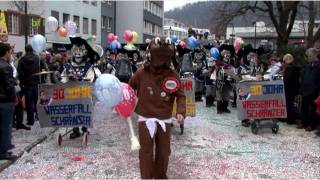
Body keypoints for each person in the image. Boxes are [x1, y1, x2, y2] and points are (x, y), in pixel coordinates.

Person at [129, 38, 186, 179]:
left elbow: (181, 95)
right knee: (146, 153)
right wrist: (123, 103)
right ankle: (146, 177)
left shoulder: (172, 76)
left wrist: (180, 112)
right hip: (145, 118)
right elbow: (129, 88)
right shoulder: (141, 73)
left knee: (164, 152)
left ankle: (160, 176)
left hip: (164, 119)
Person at [18, 45, 46, 126]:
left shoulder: (22, 59)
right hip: (36, 82)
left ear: (25, 50)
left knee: (28, 103)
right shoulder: (37, 58)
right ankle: (40, 117)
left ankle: (30, 120)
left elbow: (20, 73)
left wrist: (23, 82)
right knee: (37, 101)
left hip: (27, 83)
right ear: (32, 49)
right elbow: (42, 68)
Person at [0, 43, 18, 160]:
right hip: (5, 100)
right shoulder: (6, 66)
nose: (11, 54)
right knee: (6, 126)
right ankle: (3, 151)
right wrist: (14, 97)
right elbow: (9, 86)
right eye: (10, 52)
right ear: (6, 53)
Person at [298, 48, 320, 131]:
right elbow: (303, 77)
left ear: (314, 56)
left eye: (309, 56)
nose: (308, 58)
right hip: (305, 90)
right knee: (304, 107)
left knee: (312, 109)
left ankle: (312, 124)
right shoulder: (307, 66)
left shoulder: (319, 65)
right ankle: (304, 122)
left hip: (314, 91)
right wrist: (301, 89)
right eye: (307, 56)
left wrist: (316, 88)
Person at [283, 54, 301, 124]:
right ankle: (291, 118)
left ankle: (290, 119)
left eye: (284, 61)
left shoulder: (289, 68)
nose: (283, 63)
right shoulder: (296, 68)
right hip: (294, 88)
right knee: (290, 103)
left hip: (289, 89)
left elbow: (287, 79)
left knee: (289, 104)